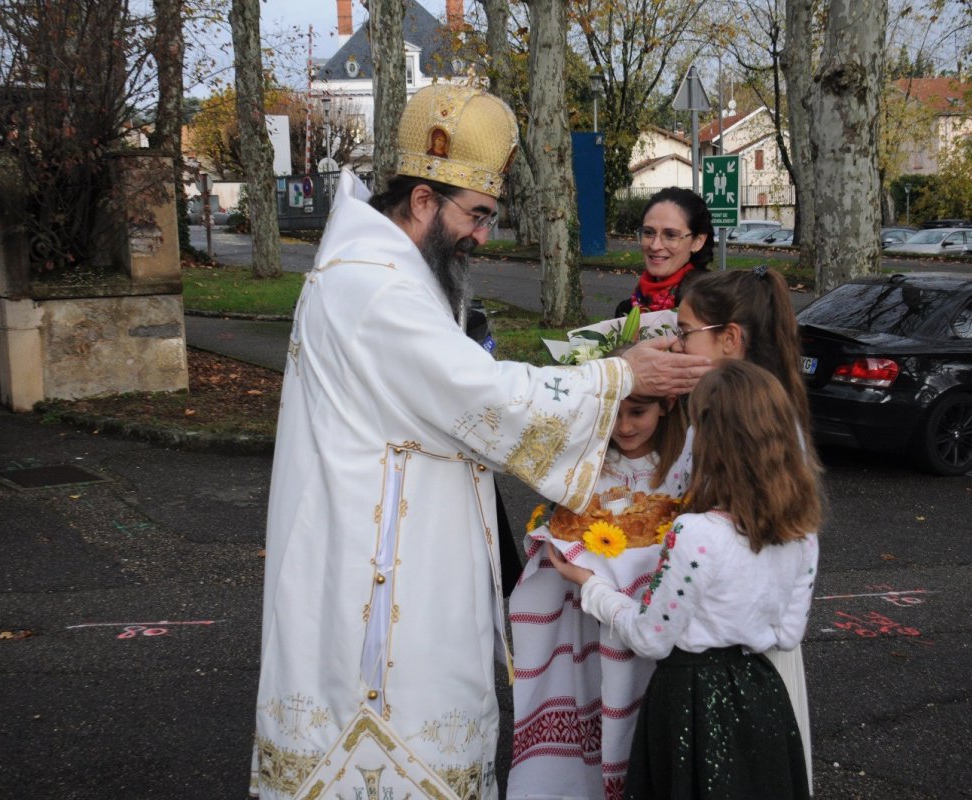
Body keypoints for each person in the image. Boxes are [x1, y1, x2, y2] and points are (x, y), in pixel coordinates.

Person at [250, 84, 713, 800]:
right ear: (424, 201)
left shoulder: (388, 268)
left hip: (401, 533)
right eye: (477, 216)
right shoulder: (374, 286)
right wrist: (617, 376)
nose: (483, 237)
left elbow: (457, 385)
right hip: (381, 566)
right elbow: (480, 394)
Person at [548, 360, 821, 799]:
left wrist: (591, 585)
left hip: (690, 703)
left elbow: (650, 638)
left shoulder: (696, 534)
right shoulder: (802, 534)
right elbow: (787, 634)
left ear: (711, 441)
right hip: (761, 699)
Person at [671, 264, 821, 792]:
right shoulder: (758, 409)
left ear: (729, 339)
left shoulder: (736, 424)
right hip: (759, 634)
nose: (677, 343)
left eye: (686, 331)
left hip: (736, 650)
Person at [507, 374, 691, 799]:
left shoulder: (682, 464)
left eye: (637, 412)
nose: (624, 426)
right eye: (614, 414)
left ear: (665, 407)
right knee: (591, 697)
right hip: (588, 617)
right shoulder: (586, 466)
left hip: (653, 613)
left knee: (639, 709)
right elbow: (558, 528)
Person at [614, 187, 716, 318]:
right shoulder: (627, 310)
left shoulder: (710, 307)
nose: (655, 246)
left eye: (671, 235)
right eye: (648, 232)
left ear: (698, 241)